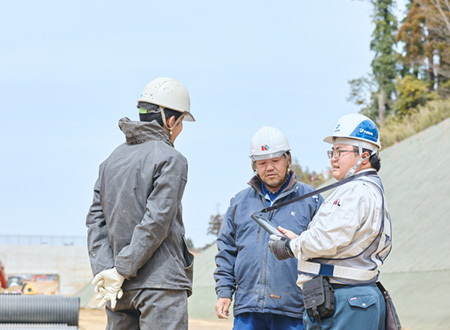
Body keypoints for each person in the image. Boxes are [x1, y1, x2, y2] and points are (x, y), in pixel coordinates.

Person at [86, 77, 195, 330]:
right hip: (161, 285)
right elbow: (157, 221)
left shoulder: (111, 160)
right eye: (180, 123)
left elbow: (95, 220)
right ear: (171, 120)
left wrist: (107, 271)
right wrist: (121, 269)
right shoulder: (171, 158)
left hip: (119, 289)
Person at [269, 113, 392, 330]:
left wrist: (290, 246)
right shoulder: (368, 188)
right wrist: (300, 241)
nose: (333, 158)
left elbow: (326, 239)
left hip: (346, 300)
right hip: (352, 298)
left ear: (364, 155)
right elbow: (337, 240)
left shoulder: (355, 191)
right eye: (332, 151)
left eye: (340, 151)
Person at [214, 126, 324, 330]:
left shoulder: (312, 201)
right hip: (248, 309)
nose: (269, 168)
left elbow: (323, 250)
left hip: (294, 310)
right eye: (262, 163)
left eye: (275, 160)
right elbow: (227, 251)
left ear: (288, 158)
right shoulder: (239, 203)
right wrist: (224, 292)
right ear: (254, 165)